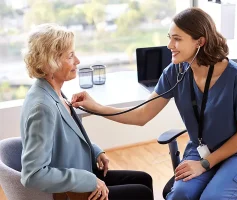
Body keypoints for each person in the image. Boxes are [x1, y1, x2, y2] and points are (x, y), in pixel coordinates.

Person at [71, 7, 237, 200]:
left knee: (214, 197)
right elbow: (141, 115)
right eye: (170, 38)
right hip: (202, 149)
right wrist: (96, 107)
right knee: (180, 195)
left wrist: (204, 163)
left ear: (199, 42)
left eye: (177, 39)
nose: (169, 46)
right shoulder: (175, 73)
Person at [20, 23, 153, 200]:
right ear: (51, 62)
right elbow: (32, 175)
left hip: (83, 171)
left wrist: (95, 151)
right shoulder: (42, 108)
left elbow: (68, 139)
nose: (78, 61)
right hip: (72, 191)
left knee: (144, 180)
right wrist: (89, 179)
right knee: (141, 193)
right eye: (71, 56)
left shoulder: (55, 92)